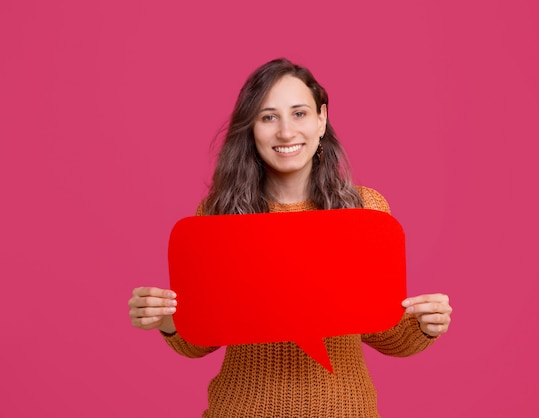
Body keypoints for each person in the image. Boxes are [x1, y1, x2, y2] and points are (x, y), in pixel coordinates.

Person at [128, 58, 452, 417]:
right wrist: (168, 320)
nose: (286, 132)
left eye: (299, 113)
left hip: (344, 410)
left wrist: (424, 325)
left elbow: (382, 333)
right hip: (240, 409)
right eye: (269, 117)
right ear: (250, 127)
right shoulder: (217, 215)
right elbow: (200, 340)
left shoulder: (365, 210)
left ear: (321, 120)